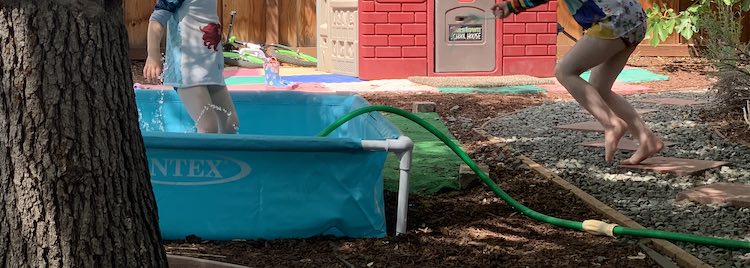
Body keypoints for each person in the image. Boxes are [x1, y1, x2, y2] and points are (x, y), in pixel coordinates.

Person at [493, 0, 663, 165]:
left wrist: (511, 6)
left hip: (614, 19)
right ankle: (647, 139)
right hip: (633, 17)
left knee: (565, 71)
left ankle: (611, 124)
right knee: (599, 89)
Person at [143, 0, 239, 134]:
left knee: (230, 124)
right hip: (186, 69)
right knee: (208, 127)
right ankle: (199, 155)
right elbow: (157, 20)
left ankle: (222, 155)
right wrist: (153, 55)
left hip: (211, 65)